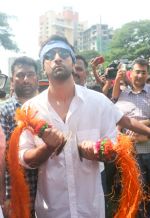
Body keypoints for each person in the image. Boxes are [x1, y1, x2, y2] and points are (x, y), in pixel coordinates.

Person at [17, 35, 150, 218]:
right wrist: (48, 147)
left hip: (91, 209)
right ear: (43, 66)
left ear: (72, 61)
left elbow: (113, 150)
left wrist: (98, 152)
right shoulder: (30, 110)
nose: (57, 58)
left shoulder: (99, 103)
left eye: (63, 53)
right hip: (52, 211)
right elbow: (25, 159)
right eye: (49, 55)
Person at [0, 56, 39, 217]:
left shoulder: (45, 107)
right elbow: (2, 157)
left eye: (30, 74)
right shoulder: (4, 111)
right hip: (16, 191)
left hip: (48, 190)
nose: (26, 80)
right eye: (21, 75)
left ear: (37, 77)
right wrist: (4, 197)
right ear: (13, 79)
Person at [115, 58, 150, 217]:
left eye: (143, 72)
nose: (140, 75)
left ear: (147, 74)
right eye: (137, 71)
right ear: (131, 73)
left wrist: (141, 129)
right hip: (131, 154)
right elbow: (116, 120)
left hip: (148, 148)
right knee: (138, 193)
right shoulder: (123, 95)